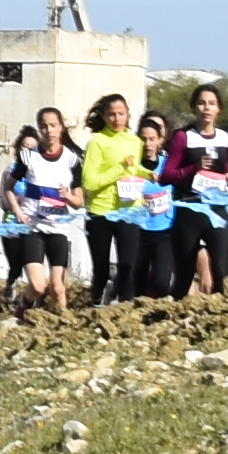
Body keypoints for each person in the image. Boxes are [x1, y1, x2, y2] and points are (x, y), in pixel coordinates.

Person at [164, 82, 228, 295]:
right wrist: (194, 168)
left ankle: (222, 317)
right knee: (184, 274)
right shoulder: (183, 137)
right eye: (201, 103)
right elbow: (166, 176)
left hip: (217, 210)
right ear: (194, 107)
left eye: (212, 103)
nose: (206, 108)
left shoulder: (225, 137)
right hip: (190, 210)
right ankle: (173, 320)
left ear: (218, 108)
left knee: (220, 271)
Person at [0, 105, 81, 321]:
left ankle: (62, 327)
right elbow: (8, 187)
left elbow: (79, 202)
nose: (48, 130)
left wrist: (67, 197)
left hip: (57, 227)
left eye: (53, 125)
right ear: (39, 129)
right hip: (32, 227)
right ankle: (22, 310)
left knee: (58, 288)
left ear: (61, 128)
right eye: (44, 126)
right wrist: (18, 211)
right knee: (38, 286)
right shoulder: (28, 157)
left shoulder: (72, 160)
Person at [74, 90, 151, 306]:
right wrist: (118, 170)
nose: (117, 119)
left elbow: (132, 169)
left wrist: (147, 174)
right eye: (112, 115)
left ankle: (126, 309)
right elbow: (89, 182)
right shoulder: (97, 142)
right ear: (104, 117)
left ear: (128, 115)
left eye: (121, 114)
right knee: (101, 268)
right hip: (101, 212)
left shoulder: (135, 141)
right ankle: (98, 295)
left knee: (128, 265)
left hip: (129, 210)